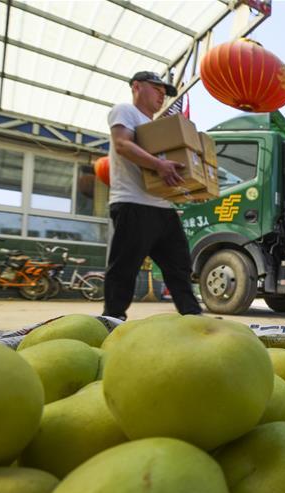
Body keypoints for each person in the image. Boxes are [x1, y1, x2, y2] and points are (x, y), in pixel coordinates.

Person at [102, 71, 203, 320]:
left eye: (164, 92)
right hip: (133, 203)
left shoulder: (157, 128)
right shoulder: (125, 110)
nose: (162, 96)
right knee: (125, 266)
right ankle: (112, 319)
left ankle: (192, 317)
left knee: (179, 266)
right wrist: (159, 166)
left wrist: (192, 188)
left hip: (162, 206)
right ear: (137, 86)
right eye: (156, 89)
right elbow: (122, 144)